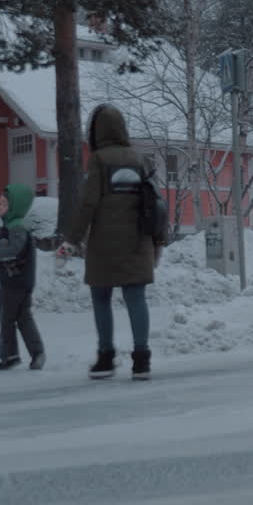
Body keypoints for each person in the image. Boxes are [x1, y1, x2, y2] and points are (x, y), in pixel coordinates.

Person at [60, 104, 167, 381]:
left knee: (101, 298)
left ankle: (106, 357)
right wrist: (159, 240)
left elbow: (88, 204)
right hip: (138, 241)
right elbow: (157, 202)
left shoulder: (99, 160)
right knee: (136, 298)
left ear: (96, 131)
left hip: (104, 246)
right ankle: (141, 361)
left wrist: (72, 239)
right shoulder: (140, 160)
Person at [0, 184, 46, 371]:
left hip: (14, 281)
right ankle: (37, 353)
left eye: (4, 204)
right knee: (23, 317)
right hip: (20, 279)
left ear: (16, 207)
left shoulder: (16, 227)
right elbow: (14, 256)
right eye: (0, 204)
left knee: (7, 318)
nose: (0, 207)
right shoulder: (15, 226)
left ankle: (10, 356)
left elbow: (13, 251)